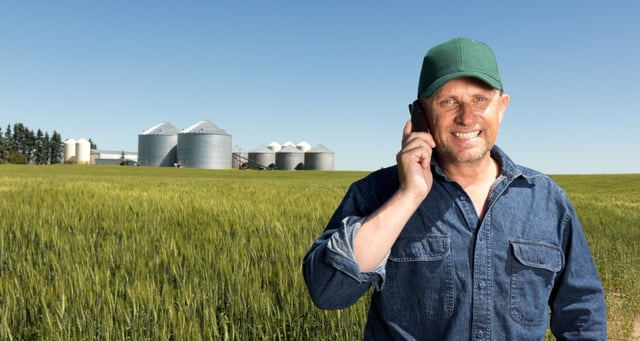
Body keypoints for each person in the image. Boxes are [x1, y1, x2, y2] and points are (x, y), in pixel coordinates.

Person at [302, 37, 607, 340]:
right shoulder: (378, 193)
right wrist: (408, 196)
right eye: (448, 101)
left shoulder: (546, 201)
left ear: (501, 107)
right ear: (421, 114)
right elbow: (328, 292)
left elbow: (582, 313)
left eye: (480, 100)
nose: (466, 117)